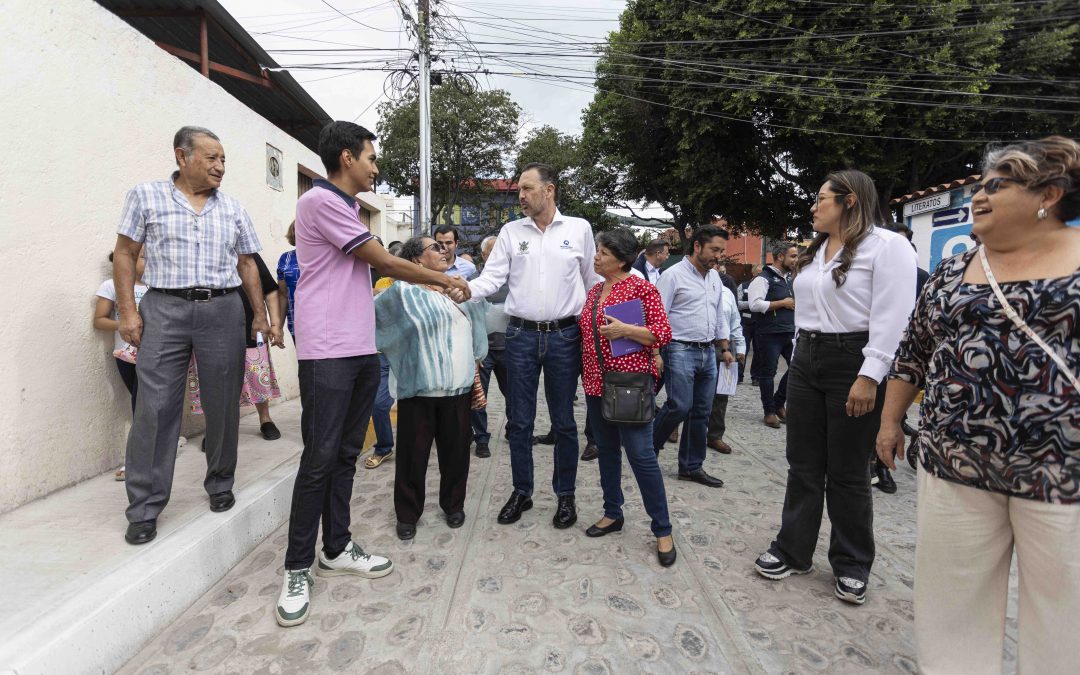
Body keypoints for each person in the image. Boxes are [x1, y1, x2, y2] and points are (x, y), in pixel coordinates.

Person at [876, 137, 1080, 671]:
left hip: (1062, 475)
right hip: (955, 463)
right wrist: (890, 422)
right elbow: (912, 354)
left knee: (1066, 620)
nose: (979, 196)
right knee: (951, 606)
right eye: (979, 187)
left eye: (997, 186)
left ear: (1049, 195)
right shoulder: (952, 271)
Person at [276, 121, 470, 628]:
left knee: (345, 454)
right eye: (370, 157)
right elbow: (383, 261)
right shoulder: (320, 201)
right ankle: (296, 568)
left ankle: (336, 548)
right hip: (327, 352)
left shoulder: (347, 208)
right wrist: (445, 280)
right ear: (347, 157)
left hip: (360, 349)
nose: (376, 168)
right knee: (318, 460)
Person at [754, 169, 917, 607]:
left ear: (849, 201)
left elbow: (894, 316)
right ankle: (793, 550)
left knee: (847, 470)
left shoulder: (887, 246)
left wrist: (870, 375)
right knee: (803, 463)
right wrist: (799, 355)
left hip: (854, 361)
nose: (813, 207)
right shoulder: (816, 251)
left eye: (821, 199)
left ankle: (852, 563)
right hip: (807, 358)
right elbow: (807, 313)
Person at [113, 126, 269, 546]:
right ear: (182, 157)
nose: (220, 167)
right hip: (165, 307)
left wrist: (259, 314)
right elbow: (125, 253)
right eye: (212, 158)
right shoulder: (145, 196)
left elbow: (248, 264)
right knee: (155, 406)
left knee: (224, 402)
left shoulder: (233, 207)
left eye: (223, 160)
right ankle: (144, 507)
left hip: (223, 308)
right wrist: (128, 310)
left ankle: (220, 481)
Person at [467, 162, 601, 529]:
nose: (521, 196)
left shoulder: (579, 229)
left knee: (564, 422)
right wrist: (462, 289)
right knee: (520, 421)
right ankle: (522, 491)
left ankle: (565, 495)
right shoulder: (511, 232)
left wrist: (601, 326)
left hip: (565, 336)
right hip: (520, 337)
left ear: (549, 190)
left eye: (527, 189)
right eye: (519, 191)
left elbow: (592, 282)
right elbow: (491, 279)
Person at [375, 236, 487, 540]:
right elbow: (373, 321)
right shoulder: (402, 293)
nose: (443, 250)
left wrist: (475, 359)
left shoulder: (459, 290)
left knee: (457, 454)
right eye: (434, 247)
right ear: (416, 261)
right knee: (412, 457)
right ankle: (408, 514)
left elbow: (479, 328)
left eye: (444, 246)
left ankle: (454, 505)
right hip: (418, 391)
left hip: (458, 389)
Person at [580, 229, 676, 566]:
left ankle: (662, 529)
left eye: (603, 253)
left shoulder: (641, 288)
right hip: (596, 384)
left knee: (641, 456)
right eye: (597, 251)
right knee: (606, 451)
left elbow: (662, 333)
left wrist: (626, 330)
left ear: (621, 260)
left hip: (629, 386)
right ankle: (612, 512)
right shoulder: (595, 291)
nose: (596, 257)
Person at [652, 225, 733, 488]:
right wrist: (656, 352)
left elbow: (719, 314)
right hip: (679, 348)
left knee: (701, 411)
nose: (718, 256)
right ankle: (648, 449)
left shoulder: (714, 277)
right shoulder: (672, 276)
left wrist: (725, 347)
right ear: (697, 246)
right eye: (714, 250)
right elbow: (658, 316)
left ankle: (691, 466)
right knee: (679, 405)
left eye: (721, 251)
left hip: (708, 351)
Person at [187, 252, 284, 439]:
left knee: (257, 374)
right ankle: (214, 428)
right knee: (211, 380)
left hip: (250, 326)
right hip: (209, 329)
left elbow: (270, 290)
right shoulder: (197, 253)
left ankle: (265, 419)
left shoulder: (248, 255)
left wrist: (275, 325)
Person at [94, 251, 148, 481]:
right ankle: (160, 445)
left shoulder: (157, 287)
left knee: (142, 404)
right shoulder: (111, 286)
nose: (147, 260)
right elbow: (99, 320)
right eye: (142, 256)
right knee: (141, 403)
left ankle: (137, 461)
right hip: (125, 355)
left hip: (155, 355)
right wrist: (125, 323)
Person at [747, 242, 798, 428]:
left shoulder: (789, 278)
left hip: (790, 331)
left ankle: (778, 402)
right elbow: (755, 305)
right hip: (769, 333)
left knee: (797, 368)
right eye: (793, 256)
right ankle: (769, 411)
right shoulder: (762, 279)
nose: (796, 260)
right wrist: (782, 303)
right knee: (768, 373)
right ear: (780, 257)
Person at [471, 235, 512, 458]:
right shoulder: (473, 281)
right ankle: (481, 438)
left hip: (510, 348)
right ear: (484, 256)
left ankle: (513, 430)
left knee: (514, 394)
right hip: (482, 351)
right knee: (479, 397)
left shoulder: (516, 280)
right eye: (492, 252)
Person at [704, 276, 747, 454]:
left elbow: (734, 322)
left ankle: (715, 436)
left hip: (725, 349)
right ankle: (674, 426)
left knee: (722, 395)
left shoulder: (727, 292)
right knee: (690, 394)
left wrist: (741, 348)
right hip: (699, 346)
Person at [737, 264, 764, 385]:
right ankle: (739, 375)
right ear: (753, 273)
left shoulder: (766, 286)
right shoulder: (743, 286)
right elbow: (737, 303)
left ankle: (756, 377)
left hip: (760, 322)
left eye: (762, 272)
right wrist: (752, 304)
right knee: (743, 349)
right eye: (758, 272)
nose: (760, 275)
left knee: (759, 350)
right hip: (745, 322)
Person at [276, 222, 300, 341]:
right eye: (296, 229)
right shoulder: (286, 259)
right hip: (297, 325)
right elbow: (283, 294)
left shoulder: (325, 256)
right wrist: (278, 327)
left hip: (328, 324)